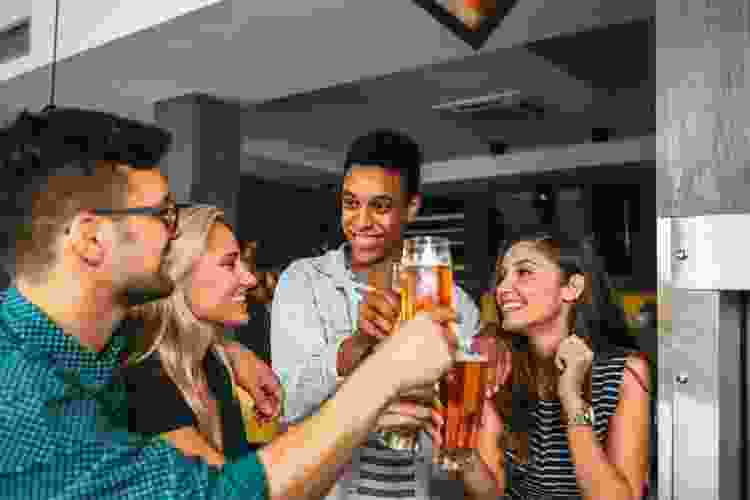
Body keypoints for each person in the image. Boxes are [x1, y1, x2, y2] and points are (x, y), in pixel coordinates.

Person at [0, 107, 461, 500]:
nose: (173, 231)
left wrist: (227, 349)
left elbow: (156, 341)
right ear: (90, 238)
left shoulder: (83, 345)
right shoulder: (26, 415)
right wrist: (385, 373)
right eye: (164, 214)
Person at [271, 129, 482, 500]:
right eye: (351, 203)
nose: (361, 221)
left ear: (411, 208)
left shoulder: (457, 305)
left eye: (380, 206)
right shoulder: (304, 281)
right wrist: (360, 345)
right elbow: (287, 402)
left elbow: (456, 436)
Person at [455, 231, 652, 500]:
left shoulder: (624, 373)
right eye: (502, 276)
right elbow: (489, 495)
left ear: (572, 288)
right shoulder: (500, 368)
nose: (502, 288)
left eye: (523, 272)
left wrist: (571, 398)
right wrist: (462, 452)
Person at [122, 205, 283, 468]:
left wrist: (231, 351)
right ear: (179, 273)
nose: (250, 279)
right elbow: (229, 491)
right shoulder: (143, 372)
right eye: (229, 263)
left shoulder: (213, 364)